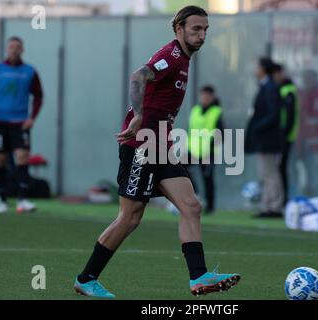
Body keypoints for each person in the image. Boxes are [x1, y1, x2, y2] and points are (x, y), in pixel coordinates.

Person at [74, 6, 240, 298]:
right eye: (195, 29)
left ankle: (198, 277)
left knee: (191, 206)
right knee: (130, 218)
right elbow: (139, 76)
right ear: (178, 29)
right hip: (141, 145)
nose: (201, 36)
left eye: (205, 30)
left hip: (160, 147)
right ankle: (86, 278)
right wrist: (138, 115)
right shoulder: (172, 56)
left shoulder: (184, 59)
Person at [0, 36, 44, 214]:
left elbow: (38, 96)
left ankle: (23, 199)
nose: (14, 50)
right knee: (0, 159)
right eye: (11, 46)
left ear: (22, 50)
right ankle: (2, 199)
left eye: (17, 47)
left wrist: (32, 117)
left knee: (22, 157)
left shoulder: (29, 71)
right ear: (6, 49)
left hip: (20, 123)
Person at [245, 58, 284, 218]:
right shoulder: (265, 87)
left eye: (258, 67)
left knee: (270, 173)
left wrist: (257, 127)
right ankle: (267, 205)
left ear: (263, 69)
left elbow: (273, 114)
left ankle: (274, 206)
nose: (255, 70)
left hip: (268, 139)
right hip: (264, 139)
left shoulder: (270, 88)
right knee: (265, 173)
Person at [186, 85, 224, 214]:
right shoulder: (195, 110)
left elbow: (220, 133)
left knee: (207, 178)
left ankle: (210, 206)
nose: (204, 98)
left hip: (208, 151)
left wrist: (212, 148)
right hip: (193, 149)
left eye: (207, 96)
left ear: (212, 97)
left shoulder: (216, 112)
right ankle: (195, 194)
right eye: (202, 95)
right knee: (181, 169)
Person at [273, 64, 299, 204]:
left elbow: (289, 116)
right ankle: (282, 199)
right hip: (283, 135)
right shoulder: (283, 89)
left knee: (281, 167)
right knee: (280, 167)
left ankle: (283, 200)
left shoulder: (288, 90)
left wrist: (283, 135)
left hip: (286, 136)